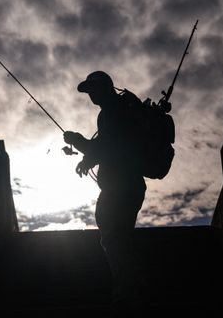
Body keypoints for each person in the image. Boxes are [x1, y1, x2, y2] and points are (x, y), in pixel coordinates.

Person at [63, 71, 146, 304]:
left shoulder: (113, 112)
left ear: (105, 88)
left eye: (93, 89)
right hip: (130, 185)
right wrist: (87, 158)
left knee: (112, 236)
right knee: (120, 237)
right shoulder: (116, 111)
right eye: (88, 91)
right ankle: (132, 285)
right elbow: (107, 148)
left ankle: (126, 290)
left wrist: (77, 141)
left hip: (120, 186)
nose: (90, 95)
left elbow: (107, 147)